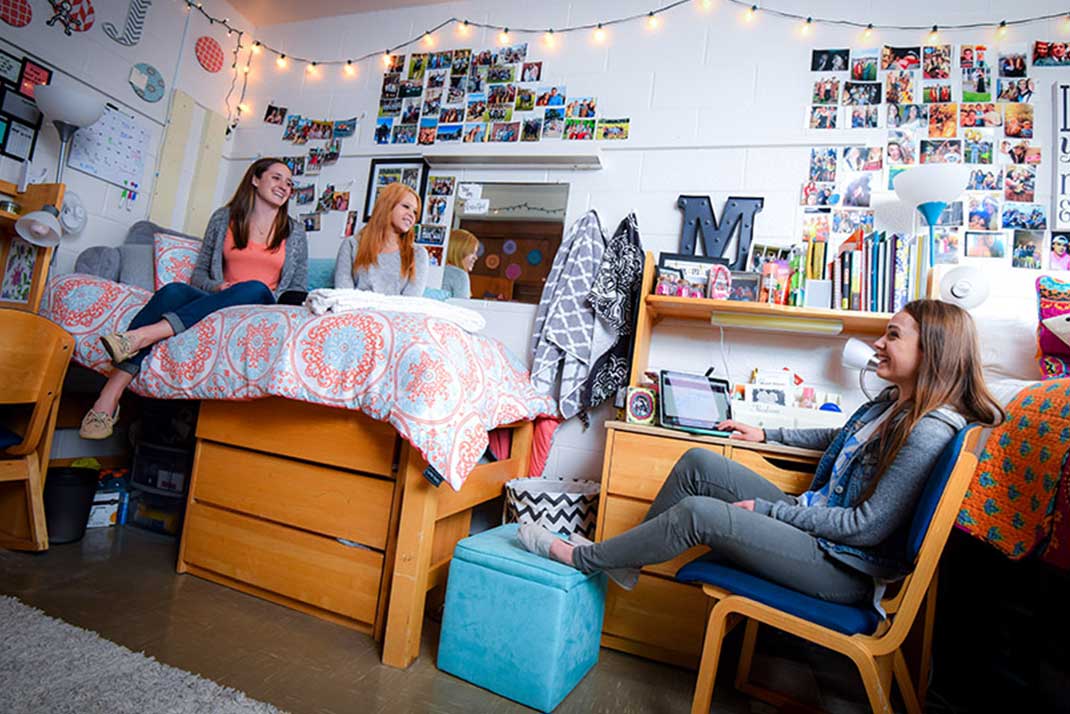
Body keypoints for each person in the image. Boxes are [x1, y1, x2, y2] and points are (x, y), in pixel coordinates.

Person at [519, 301, 1003, 606]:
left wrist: (771, 511)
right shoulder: (891, 404)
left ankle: (585, 558)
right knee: (698, 465)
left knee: (696, 513)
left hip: (844, 566)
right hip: (816, 527)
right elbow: (838, 434)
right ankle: (622, 563)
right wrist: (765, 432)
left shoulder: (930, 430)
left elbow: (866, 527)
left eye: (894, 335)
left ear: (934, 351)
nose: (878, 342)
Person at [79, 158, 308, 439]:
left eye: (289, 183)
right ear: (255, 179)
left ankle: (141, 336)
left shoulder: (295, 232)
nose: (284, 186)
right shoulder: (223, 218)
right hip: (220, 297)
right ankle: (108, 397)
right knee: (173, 291)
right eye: (276, 178)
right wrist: (217, 286)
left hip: (259, 302)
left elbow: (297, 286)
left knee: (256, 287)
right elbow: (198, 274)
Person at [334, 182, 428, 295]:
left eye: (415, 212)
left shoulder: (418, 254)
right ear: (387, 206)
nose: (412, 215)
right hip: (356, 311)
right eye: (406, 206)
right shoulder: (351, 245)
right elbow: (344, 295)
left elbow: (409, 303)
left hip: (396, 312)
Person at [441, 229, 480, 299]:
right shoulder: (459, 275)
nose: (475, 257)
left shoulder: (436, 270)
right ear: (459, 251)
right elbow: (462, 308)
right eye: (472, 252)